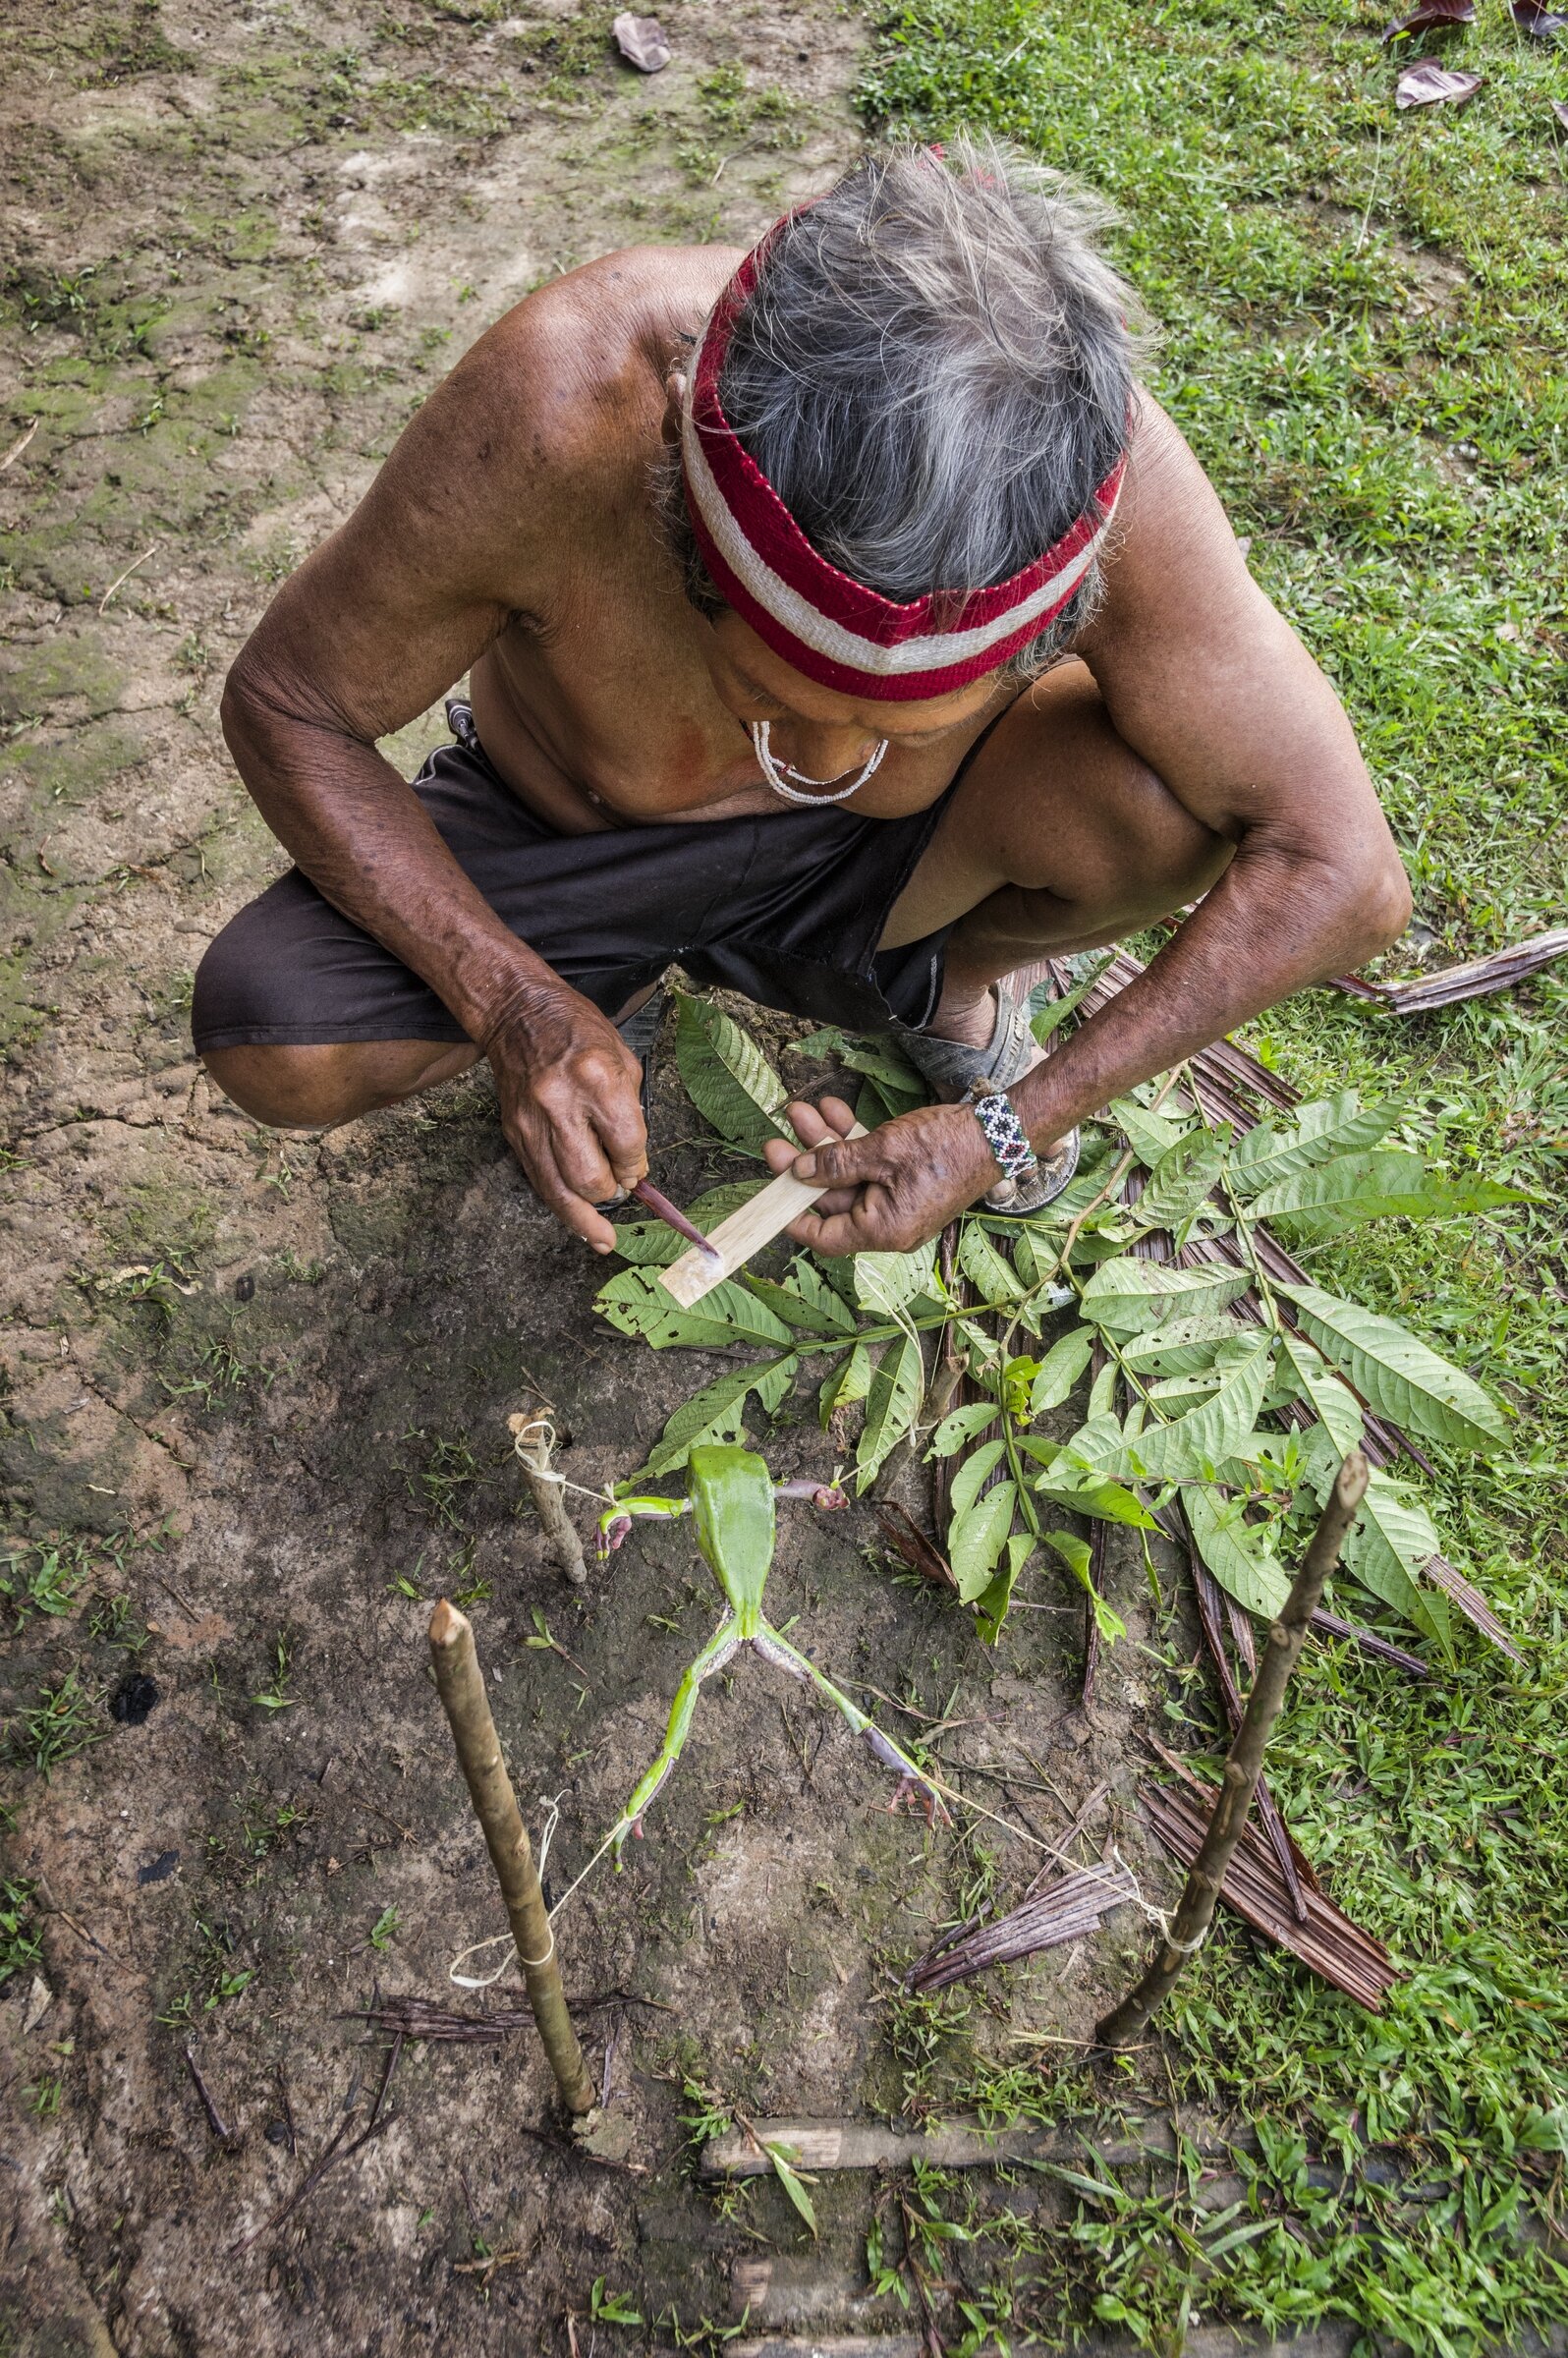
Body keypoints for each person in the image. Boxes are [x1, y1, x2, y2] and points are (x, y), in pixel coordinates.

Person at [192, 142, 1410, 1258]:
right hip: (569, 837)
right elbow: (291, 702)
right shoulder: (572, 408)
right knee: (281, 1036)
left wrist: (1004, 1127)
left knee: (1160, 806)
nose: (817, 758)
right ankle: (594, 978)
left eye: (894, 727)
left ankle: (955, 985)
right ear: (674, 516)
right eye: (758, 695)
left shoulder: (1099, 477)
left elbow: (1343, 869)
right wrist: (511, 1001)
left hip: (889, 866)